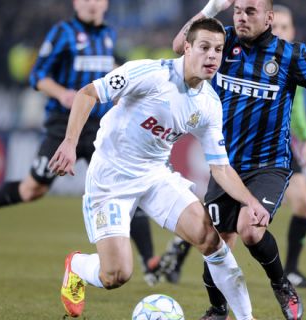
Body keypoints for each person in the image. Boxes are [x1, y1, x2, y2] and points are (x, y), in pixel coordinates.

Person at [48, 18, 268, 320]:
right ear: (187, 47)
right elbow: (88, 93)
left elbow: (220, 168)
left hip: (154, 176)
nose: (212, 56)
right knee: (117, 274)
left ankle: (246, 318)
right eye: (204, 47)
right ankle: (76, 266)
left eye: (218, 49)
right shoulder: (150, 74)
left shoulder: (208, 104)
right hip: (111, 178)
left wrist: (251, 202)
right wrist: (70, 143)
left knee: (210, 239)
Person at [171, 1, 306, 319]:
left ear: (269, 18)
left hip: (269, 163)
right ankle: (218, 310)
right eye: (238, 10)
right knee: (215, 243)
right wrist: (212, 7)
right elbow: (179, 46)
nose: (241, 17)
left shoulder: (292, 55)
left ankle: (281, 284)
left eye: (250, 11)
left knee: (251, 229)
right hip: (225, 165)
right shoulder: (222, 41)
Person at [0, 0, 159, 285]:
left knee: (125, 184)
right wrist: (62, 94)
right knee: (33, 190)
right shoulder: (62, 33)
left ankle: (149, 261)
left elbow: (111, 69)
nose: (92, 4)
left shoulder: (108, 35)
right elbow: (37, 76)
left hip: (99, 130)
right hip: (62, 126)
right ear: (76, 3)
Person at [271, 4, 306, 289]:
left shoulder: (294, 61)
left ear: (293, 31)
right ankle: (181, 246)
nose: (279, 32)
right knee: (231, 218)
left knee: (304, 204)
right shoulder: (253, 59)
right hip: (251, 145)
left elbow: (297, 108)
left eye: (284, 27)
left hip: (283, 144)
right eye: (274, 26)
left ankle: (291, 271)